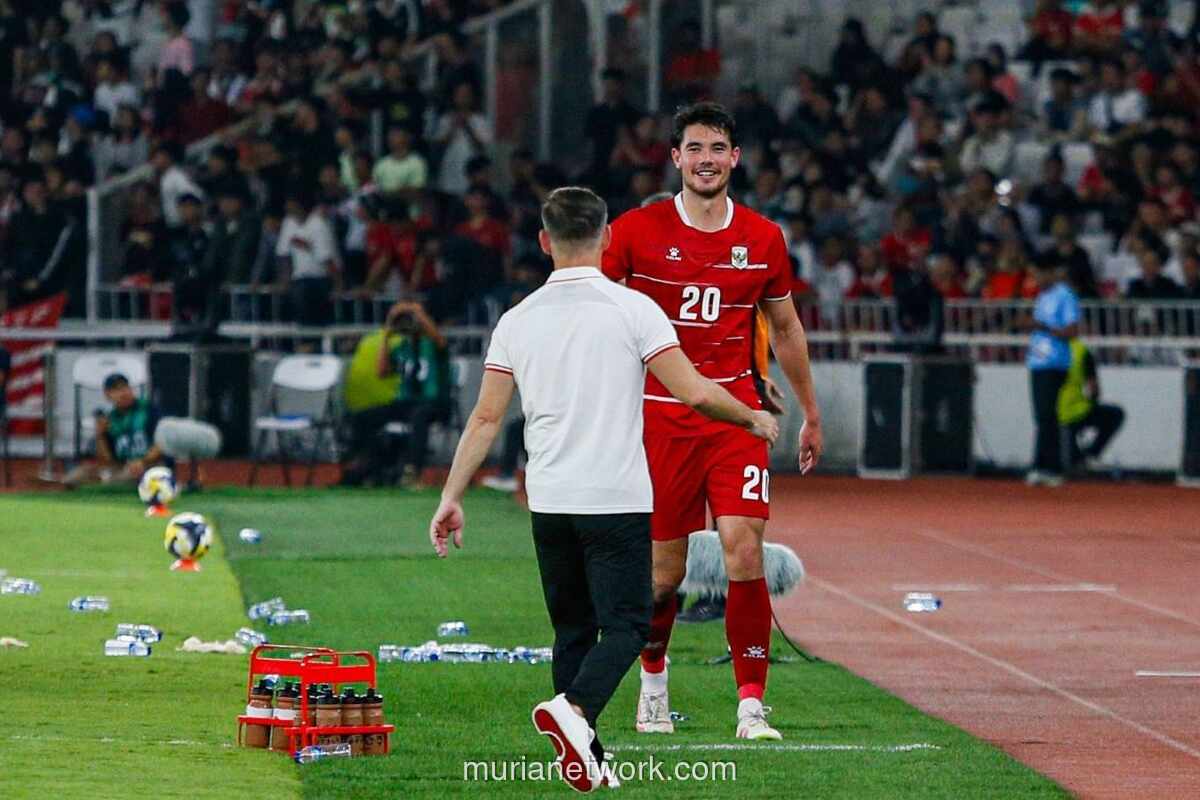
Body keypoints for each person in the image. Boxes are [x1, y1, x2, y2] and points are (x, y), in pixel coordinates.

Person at [427, 186, 778, 792]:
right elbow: (693, 391)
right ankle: (576, 711)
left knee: (571, 630)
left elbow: (486, 418)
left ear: (543, 242)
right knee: (627, 626)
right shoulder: (634, 309)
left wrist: (450, 496)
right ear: (608, 236)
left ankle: (586, 757)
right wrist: (753, 418)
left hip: (549, 499)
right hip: (613, 497)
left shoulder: (517, 319)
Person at [601, 102, 823, 740]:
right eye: (694, 148)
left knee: (743, 549)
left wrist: (809, 410)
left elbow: (784, 327)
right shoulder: (636, 232)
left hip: (735, 419)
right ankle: (652, 684)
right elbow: (598, 312)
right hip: (660, 418)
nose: (706, 159)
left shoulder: (763, 237)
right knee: (663, 575)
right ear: (675, 158)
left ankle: (751, 706)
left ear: (736, 157)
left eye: (717, 148)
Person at [340, 301, 447, 486]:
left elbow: (440, 340)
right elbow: (382, 371)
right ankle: (366, 463)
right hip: (406, 402)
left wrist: (416, 312)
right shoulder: (401, 348)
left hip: (432, 402)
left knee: (419, 416)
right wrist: (387, 333)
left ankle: (413, 471)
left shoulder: (431, 346)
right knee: (363, 417)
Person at [1026, 262, 1080, 487]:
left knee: (1047, 415)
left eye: (1037, 273)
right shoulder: (1042, 296)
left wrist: (1041, 327)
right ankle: (1043, 465)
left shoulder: (1064, 295)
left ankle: (1050, 466)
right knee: (1042, 416)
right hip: (1038, 362)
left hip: (1054, 363)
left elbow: (1072, 331)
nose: (1035, 279)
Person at [64, 373, 169, 487]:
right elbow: (106, 460)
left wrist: (142, 461)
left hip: (149, 464)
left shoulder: (148, 410)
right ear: (107, 395)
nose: (123, 393)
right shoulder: (110, 419)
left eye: (125, 387)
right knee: (73, 478)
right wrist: (100, 435)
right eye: (116, 390)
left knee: (122, 477)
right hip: (120, 466)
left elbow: (162, 442)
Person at [1058, 338, 1125, 470]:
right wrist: (1093, 403)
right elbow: (1094, 387)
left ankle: (1079, 458)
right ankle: (1091, 454)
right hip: (1080, 410)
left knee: (1070, 461)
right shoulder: (1081, 351)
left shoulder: (1048, 352)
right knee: (1116, 414)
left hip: (1056, 415)